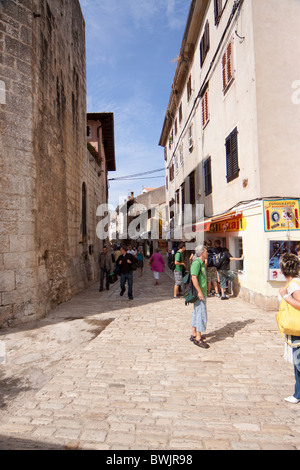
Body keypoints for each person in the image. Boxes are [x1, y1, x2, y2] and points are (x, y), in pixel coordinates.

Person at [278, 253, 300, 404]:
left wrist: (285, 296)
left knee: (299, 362)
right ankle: (297, 393)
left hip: (297, 329)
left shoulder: (293, 285)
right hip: (295, 329)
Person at [190, 244, 210, 349]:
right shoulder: (197, 263)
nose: (207, 253)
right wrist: (199, 292)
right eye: (206, 251)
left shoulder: (201, 263)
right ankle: (198, 338)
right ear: (202, 253)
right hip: (200, 293)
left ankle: (194, 333)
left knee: (196, 312)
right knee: (201, 314)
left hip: (201, 292)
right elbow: (194, 277)